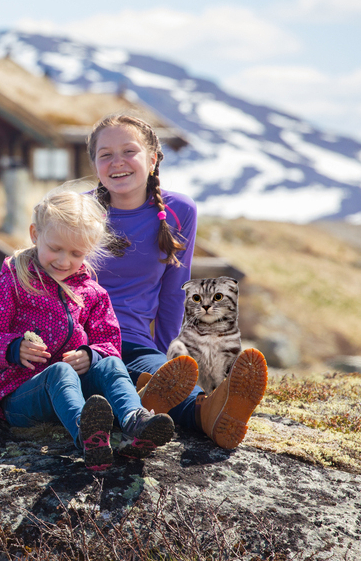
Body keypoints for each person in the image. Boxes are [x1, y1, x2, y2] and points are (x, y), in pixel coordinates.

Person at [0, 189, 191, 471]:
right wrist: (13, 349)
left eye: (76, 253)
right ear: (35, 234)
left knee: (110, 364)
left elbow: (109, 342)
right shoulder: (15, 279)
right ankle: (87, 435)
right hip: (19, 395)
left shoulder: (93, 293)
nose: (63, 261)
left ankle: (136, 421)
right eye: (55, 248)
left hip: (74, 392)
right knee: (59, 372)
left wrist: (91, 355)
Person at [86, 113, 268, 449]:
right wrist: (17, 373)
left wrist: (169, 360)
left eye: (129, 151)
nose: (117, 163)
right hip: (79, 341)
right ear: (95, 164)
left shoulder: (178, 210)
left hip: (134, 342)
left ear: (153, 159)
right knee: (103, 377)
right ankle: (145, 394)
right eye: (105, 155)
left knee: (165, 377)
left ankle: (211, 412)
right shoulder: (78, 211)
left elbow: (173, 294)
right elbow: (43, 286)